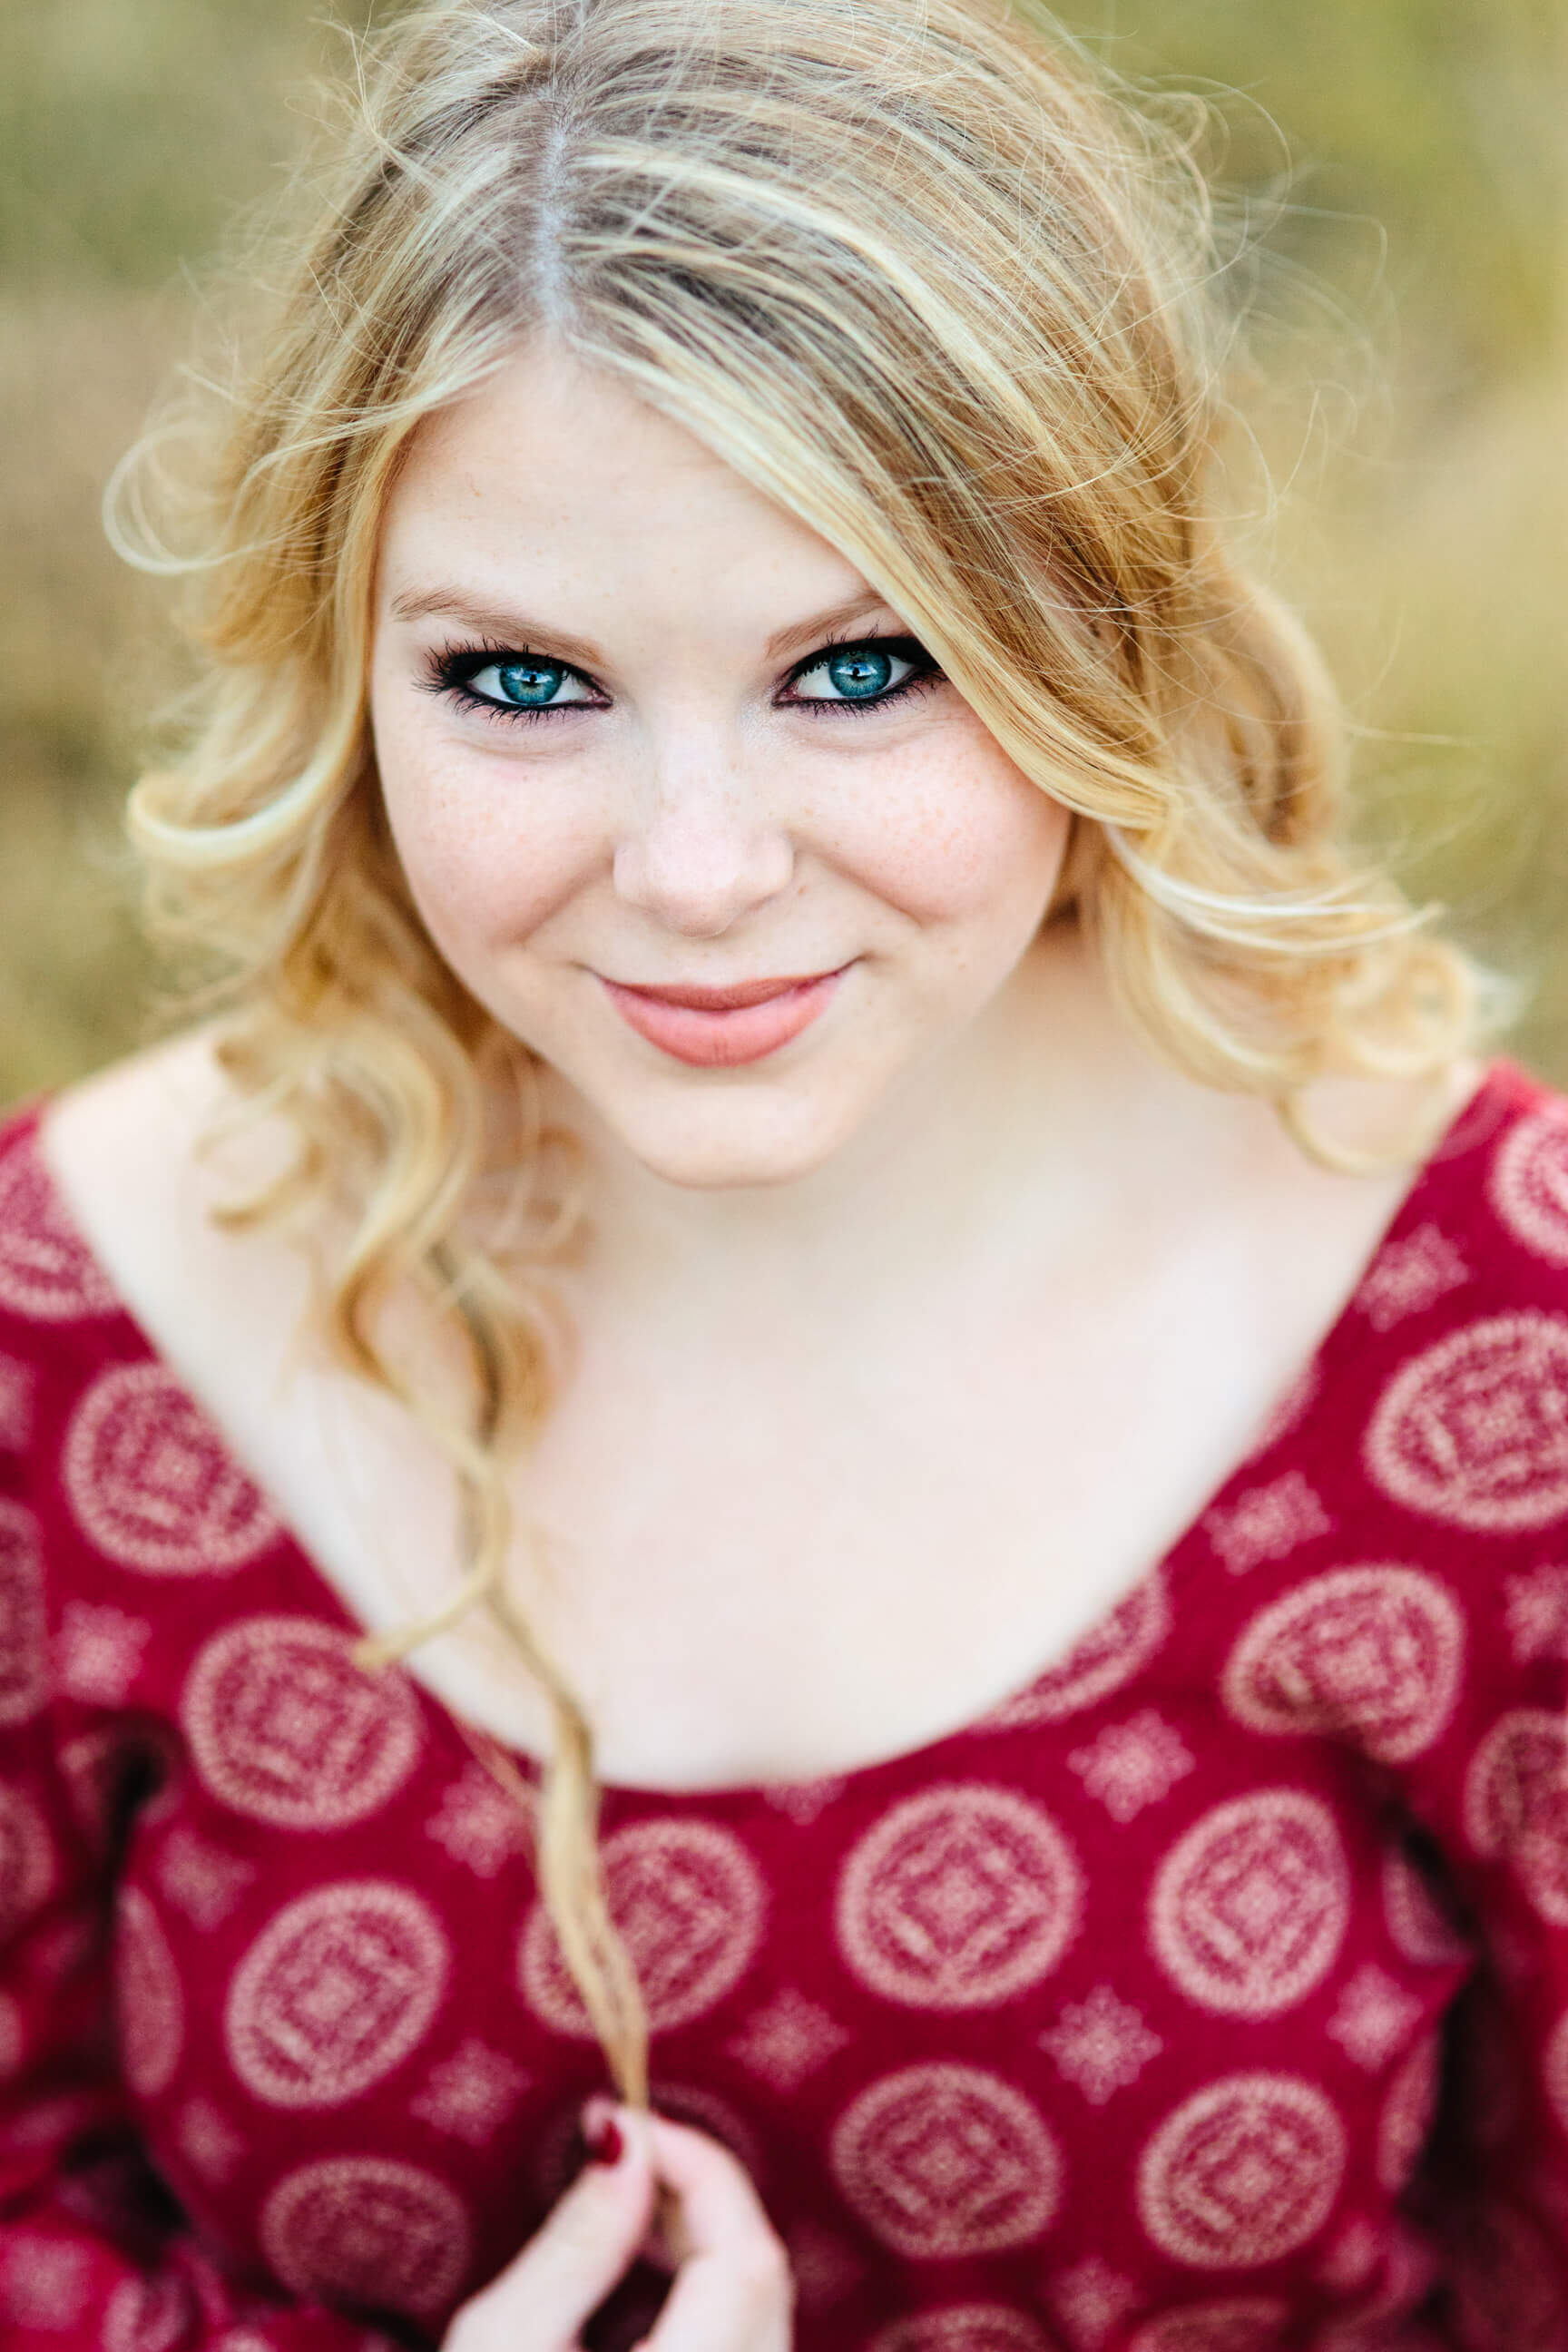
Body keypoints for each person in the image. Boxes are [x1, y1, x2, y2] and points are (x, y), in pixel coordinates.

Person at [2, 0, 1565, 2347]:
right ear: (345, 657)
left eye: (861, 668)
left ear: (1094, 639)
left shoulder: (1484, 1339)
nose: (700, 870)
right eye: (523, 683)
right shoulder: (75, 1327)